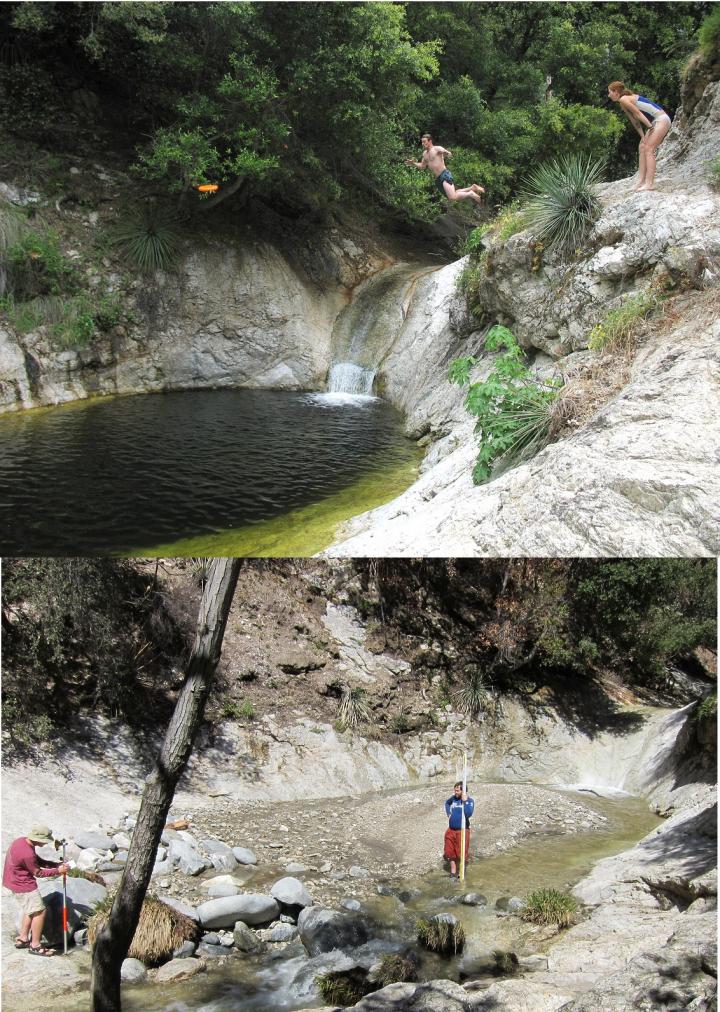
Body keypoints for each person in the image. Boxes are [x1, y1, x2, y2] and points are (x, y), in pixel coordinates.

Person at [2, 825, 70, 956]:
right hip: (22, 884)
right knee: (39, 911)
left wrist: (54, 864)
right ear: (39, 839)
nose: (46, 843)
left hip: (12, 880)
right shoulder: (27, 854)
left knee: (31, 909)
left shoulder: (21, 841)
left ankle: (23, 938)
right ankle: (35, 945)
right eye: (45, 841)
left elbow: (36, 860)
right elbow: (38, 873)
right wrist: (58, 871)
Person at [607, 82, 672, 192]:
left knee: (649, 149)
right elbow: (634, 121)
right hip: (656, 121)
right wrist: (643, 136)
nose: (609, 95)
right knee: (642, 146)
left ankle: (649, 184)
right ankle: (640, 182)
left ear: (616, 92)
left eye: (609, 92)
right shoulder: (622, 102)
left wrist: (649, 126)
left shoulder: (624, 99)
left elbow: (637, 113)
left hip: (661, 119)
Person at [405, 134, 485, 204]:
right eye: (422, 142)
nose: (423, 144)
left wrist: (446, 153)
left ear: (430, 141)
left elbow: (446, 152)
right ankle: (472, 188)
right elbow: (422, 166)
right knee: (453, 194)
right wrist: (414, 163)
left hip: (444, 175)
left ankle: (470, 193)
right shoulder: (424, 154)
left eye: (424, 141)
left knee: (452, 197)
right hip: (438, 180)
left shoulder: (436, 149)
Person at [443, 781, 474, 879]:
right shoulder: (453, 799)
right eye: (455, 790)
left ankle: (461, 872)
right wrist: (449, 813)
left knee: (461, 853)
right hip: (451, 830)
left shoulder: (470, 801)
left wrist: (464, 801)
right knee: (449, 852)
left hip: (463, 831)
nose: (455, 792)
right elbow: (447, 803)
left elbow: (468, 814)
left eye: (457, 790)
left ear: (463, 791)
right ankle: (453, 872)